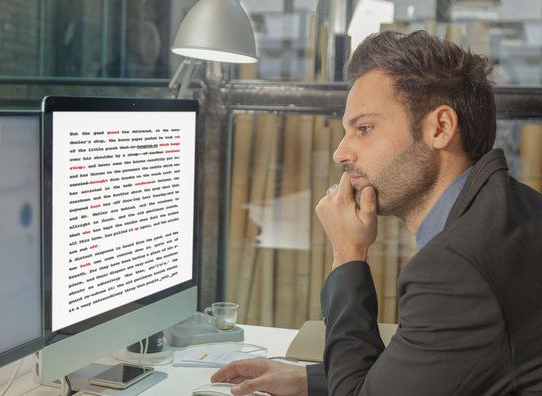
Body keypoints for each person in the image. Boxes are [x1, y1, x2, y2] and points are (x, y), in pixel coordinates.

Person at [211, 30, 542, 395]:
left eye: (365, 128)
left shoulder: (457, 267)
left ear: (441, 127)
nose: (341, 153)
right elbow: (444, 366)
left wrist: (348, 255)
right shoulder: (513, 207)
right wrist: (311, 379)